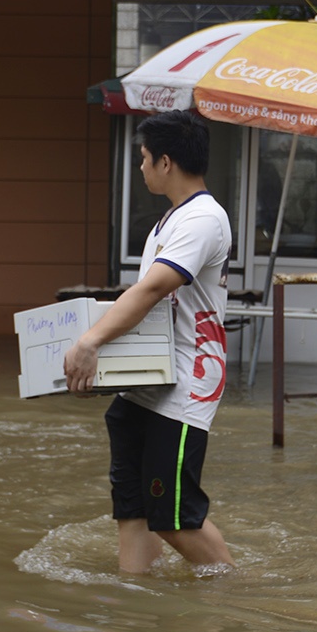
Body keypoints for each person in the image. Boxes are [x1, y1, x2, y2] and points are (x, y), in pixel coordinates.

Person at [63, 110, 234, 574]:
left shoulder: (203, 218)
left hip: (186, 383)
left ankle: (235, 593)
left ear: (166, 162)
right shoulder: (171, 220)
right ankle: (135, 601)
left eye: (143, 158)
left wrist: (90, 341)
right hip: (148, 381)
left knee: (174, 517)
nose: (141, 167)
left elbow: (154, 289)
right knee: (132, 509)